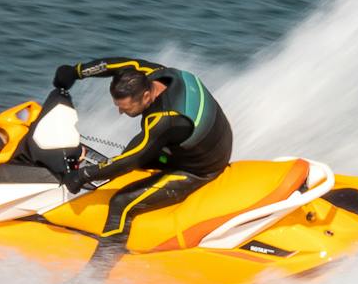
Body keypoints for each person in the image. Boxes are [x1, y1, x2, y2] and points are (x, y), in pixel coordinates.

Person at [50, 58, 234, 250]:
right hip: (203, 140)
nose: (120, 112)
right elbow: (119, 65)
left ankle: (99, 269)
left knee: (121, 202)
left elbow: (131, 160)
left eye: (125, 107)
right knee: (126, 158)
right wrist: (76, 72)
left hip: (200, 168)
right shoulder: (154, 74)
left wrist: (82, 176)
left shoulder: (166, 119)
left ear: (146, 96)